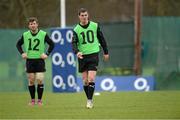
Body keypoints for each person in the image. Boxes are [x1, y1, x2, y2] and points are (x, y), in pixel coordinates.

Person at [72, 8, 109, 109]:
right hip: (82, 56)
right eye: (82, 15)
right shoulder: (76, 29)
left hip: (93, 54)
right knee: (85, 81)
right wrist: (77, 52)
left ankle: (89, 101)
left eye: (85, 15)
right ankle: (89, 98)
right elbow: (74, 43)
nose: (84, 17)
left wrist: (106, 52)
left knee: (91, 78)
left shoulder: (94, 25)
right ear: (79, 17)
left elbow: (102, 39)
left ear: (88, 16)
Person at [16, 17, 54, 106]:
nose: (33, 25)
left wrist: (47, 54)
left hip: (40, 60)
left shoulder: (43, 34)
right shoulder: (25, 35)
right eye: (31, 24)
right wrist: (22, 53)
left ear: (37, 24)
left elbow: (52, 44)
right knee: (31, 80)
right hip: (29, 60)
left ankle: (40, 100)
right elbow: (18, 44)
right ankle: (32, 100)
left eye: (34, 23)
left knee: (40, 79)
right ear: (29, 26)